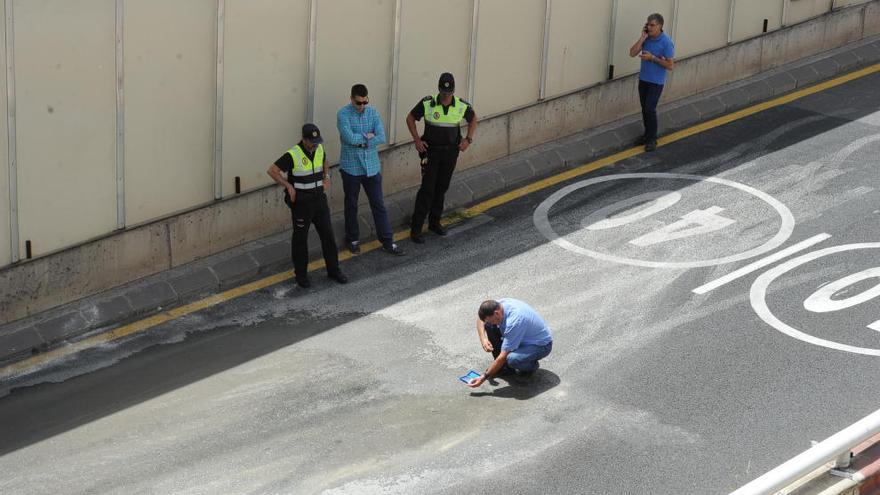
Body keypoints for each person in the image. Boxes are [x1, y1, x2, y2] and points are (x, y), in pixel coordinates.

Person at [266, 123, 348, 288]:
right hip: (302, 204)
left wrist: (327, 178)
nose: (315, 144)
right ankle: (301, 275)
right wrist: (288, 186)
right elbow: (272, 170)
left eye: (317, 141)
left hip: (319, 200)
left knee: (328, 236)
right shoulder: (293, 154)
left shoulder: (318, 149)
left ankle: (334, 270)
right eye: (312, 141)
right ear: (303, 139)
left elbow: (325, 162)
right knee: (300, 240)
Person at [406, 72, 478, 244]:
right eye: (443, 92)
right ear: (439, 89)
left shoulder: (461, 105)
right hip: (431, 152)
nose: (446, 96)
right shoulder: (428, 103)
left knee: (441, 188)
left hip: (450, 153)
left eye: (449, 93)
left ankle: (434, 223)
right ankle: (416, 229)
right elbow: (410, 118)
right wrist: (417, 140)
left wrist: (468, 140)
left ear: (453, 91)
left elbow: (474, 119)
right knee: (427, 190)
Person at [336, 83, 405, 256]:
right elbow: (348, 138)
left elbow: (381, 136)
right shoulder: (343, 114)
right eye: (359, 103)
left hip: (372, 167)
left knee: (378, 204)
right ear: (352, 99)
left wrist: (362, 141)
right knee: (351, 205)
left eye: (365, 102)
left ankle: (388, 241)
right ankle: (352, 239)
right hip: (351, 167)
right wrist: (368, 137)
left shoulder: (373, 112)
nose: (362, 106)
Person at [466, 298, 553, 388]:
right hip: (520, 336)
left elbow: (503, 356)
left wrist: (484, 377)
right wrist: (483, 339)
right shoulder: (498, 306)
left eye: (492, 320)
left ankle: (530, 367)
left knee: (512, 359)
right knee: (489, 325)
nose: (492, 322)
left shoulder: (514, 321)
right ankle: (502, 367)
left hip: (540, 345)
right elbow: (481, 319)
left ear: (497, 313)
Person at [629, 13, 675, 152]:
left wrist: (652, 58)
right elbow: (632, 53)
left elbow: (670, 66)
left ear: (660, 26)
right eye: (648, 24)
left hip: (656, 82)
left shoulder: (666, 42)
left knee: (650, 108)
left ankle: (652, 139)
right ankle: (647, 135)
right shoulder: (646, 38)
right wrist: (642, 38)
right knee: (644, 109)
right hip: (644, 79)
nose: (649, 27)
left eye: (652, 25)